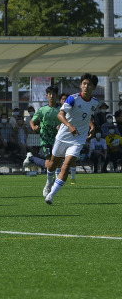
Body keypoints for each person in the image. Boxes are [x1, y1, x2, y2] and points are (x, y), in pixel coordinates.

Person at [43, 73, 99, 205]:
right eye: (84, 83)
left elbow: (87, 116)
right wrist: (69, 126)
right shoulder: (72, 99)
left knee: (66, 165)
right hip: (63, 136)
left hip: (78, 139)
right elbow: (60, 114)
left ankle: (51, 195)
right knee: (52, 164)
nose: (86, 86)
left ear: (94, 87)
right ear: (81, 85)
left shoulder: (95, 102)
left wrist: (92, 126)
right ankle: (48, 183)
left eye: (89, 84)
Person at [23, 87, 61, 180]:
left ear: (56, 96)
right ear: (47, 96)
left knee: (56, 161)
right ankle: (54, 181)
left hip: (58, 137)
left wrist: (61, 126)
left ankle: (32, 158)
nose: (51, 96)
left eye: (53, 94)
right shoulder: (43, 109)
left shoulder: (61, 110)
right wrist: (34, 127)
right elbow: (32, 121)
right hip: (46, 137)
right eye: (50, 94)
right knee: (49, 160)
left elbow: (66, 121)